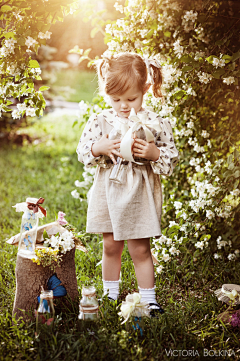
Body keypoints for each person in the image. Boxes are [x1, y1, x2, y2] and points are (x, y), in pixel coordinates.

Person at [77, 53, 179, 316]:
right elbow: (82, 152)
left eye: (131, 99)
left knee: (140, 248)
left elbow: (170, 158)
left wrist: (154, 153)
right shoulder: (101, 120)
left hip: (137, 192)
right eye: (116, 99)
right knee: (110, 244)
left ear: (145, 89)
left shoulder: (155, 123)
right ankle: (110, 294)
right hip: (108, 189)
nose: (123, 106)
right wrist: (97, 147)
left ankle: (149, 299)